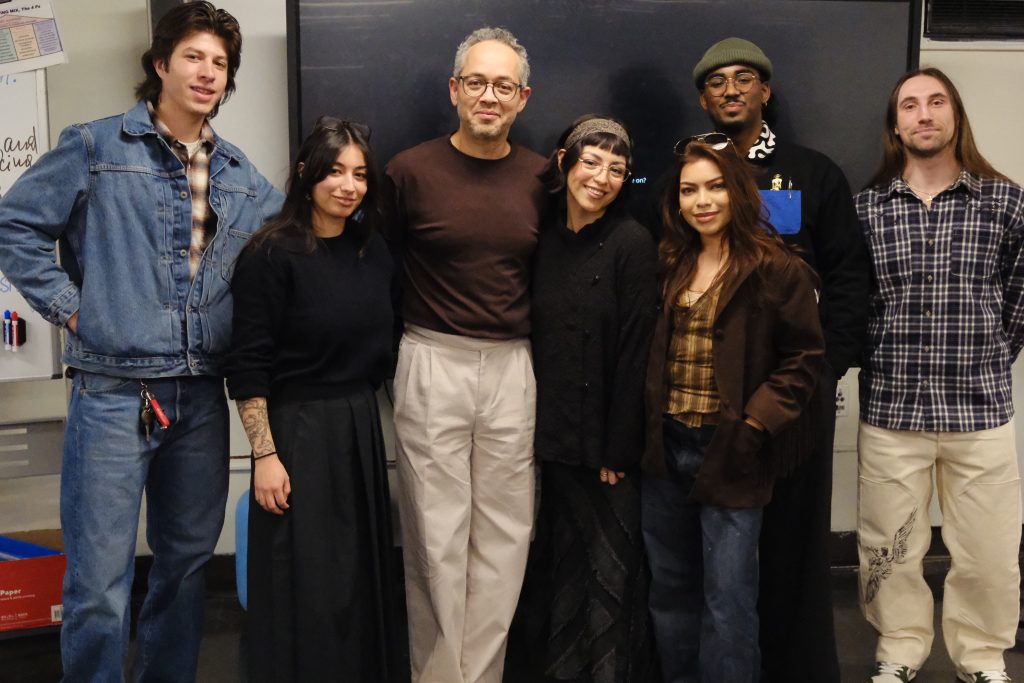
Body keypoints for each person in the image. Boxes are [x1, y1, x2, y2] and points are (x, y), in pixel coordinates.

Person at [0, 3, 281, 680]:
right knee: (99, 583)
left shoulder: (246, 180)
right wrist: (73, 309)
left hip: (201, 397)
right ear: (160, 64)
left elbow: (286, 265)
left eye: (220, 63)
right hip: (111, 394)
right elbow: (15, 225)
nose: (208, 72)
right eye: (194, 56)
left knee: (184, 570)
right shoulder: (97, 146)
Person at [688, 37, 870, 681]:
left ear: (765, 92)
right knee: (715, 548)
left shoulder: (812, 170)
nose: (730, 90)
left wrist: (829, 366)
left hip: (796, 389)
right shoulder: (692, 174)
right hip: (712, 395)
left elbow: (849, 277)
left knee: (793, 543)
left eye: (744, 79)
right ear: (703, 98)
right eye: (716, 83)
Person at [381, 26, 547, 683]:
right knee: (434, 538)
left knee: (506, 538)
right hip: (431, 357)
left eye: (502, 85)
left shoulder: (543, 177)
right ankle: (439, 675)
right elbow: (379, 269)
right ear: (454, 90)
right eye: (475, 82)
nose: (488, 95)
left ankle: (482, 674)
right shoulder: (407, 171)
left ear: (523, 98)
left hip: (513, 363)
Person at [854, 67, 1023, 683]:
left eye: (936, 102)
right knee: (888, 549)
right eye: (909, 106)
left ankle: (980, 658)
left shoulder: (1005, 202)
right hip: (893, 411)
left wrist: (985, 357)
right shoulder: (866, 209)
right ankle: (898, 648)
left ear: (955, 115)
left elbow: (1020, 297)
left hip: (979, 413)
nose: (923, 115)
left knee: (988, 553)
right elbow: (858, 302)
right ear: (895, 125)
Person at [640, 134, 824, 682]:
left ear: (738, 192)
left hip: (733, 451)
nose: (703, 201)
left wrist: (753, 424)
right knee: (671, 592)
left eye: (716, 187)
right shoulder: (671, 261)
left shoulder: (776, 267)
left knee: (729, 600)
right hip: (666, 449)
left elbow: (804, 359)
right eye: (689, 190)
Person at [224, 117, 397, 682]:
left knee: (358, 585)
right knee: (304, 586)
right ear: (306, 174)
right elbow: (247, 364)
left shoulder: (373, 252)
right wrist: (264, 457)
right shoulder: (269, 254)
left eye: (360, 175)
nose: (348, 186)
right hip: (294, 435)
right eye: (335, 172)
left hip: (358, 427)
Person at [528, 115, 658, 682]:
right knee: (559, 570)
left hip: (609, 451)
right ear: (564, 162)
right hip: (551, 443)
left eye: (617, 169)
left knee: (611, 574)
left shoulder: (632, 241)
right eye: (591, 162)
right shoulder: (539, 237)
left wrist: (619, 449)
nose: (602, 177)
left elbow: (637, 352)